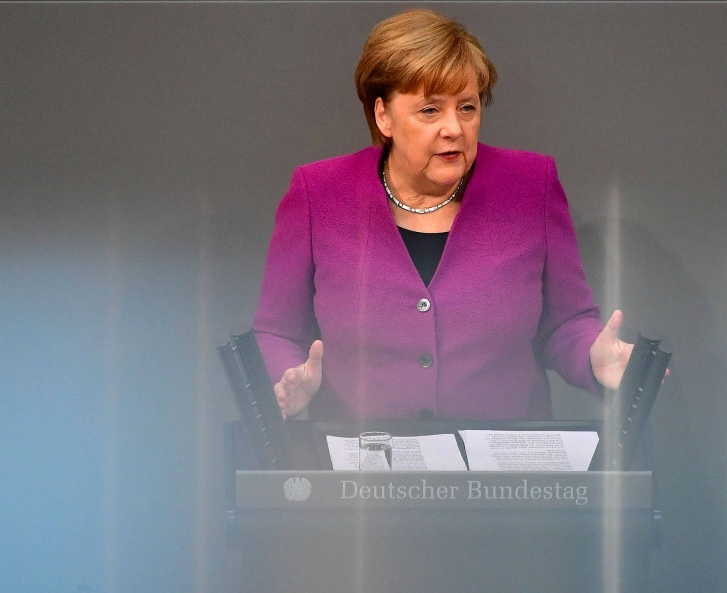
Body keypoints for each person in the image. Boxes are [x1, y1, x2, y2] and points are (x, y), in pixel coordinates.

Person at [253, 8, 634, 421]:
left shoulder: (530, 185)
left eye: (467, 108)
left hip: (504, 475)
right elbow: (277, 331)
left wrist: (593, 358)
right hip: (362, 471)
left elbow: (566, 323)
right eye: (430, 110)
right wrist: (286, 379)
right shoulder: (319, 193)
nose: (454, 127)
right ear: (384, 116)